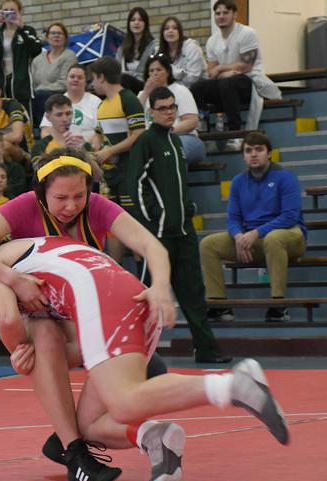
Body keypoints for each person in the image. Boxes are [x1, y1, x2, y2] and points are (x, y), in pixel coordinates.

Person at [0, 147, 196, 481]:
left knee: (138, 376)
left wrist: (161, 285)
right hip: (43, 307)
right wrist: (14, 281)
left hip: (82, 310)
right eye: (60, 198)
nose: (71, 206)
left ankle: (70, 438)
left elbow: (151, 245)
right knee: (46, 338)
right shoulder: (25, 206)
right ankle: (75, 448)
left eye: (79, 195)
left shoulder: (97, 207)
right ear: (41, 193)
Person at [0, 235, 289, 481]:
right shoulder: (42, 259)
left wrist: (16, 348)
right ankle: (156, 439)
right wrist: (35, 358)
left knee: (124, 402)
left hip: (103, 297)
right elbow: (82, 351)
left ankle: (233, 384)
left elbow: (6, 317)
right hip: (132, 296)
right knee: (88, 427)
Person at [126, 86, 228, 360]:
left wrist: (188, 208)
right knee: (148, 293)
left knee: (194, 291)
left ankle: (206, 349)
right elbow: (134, 184)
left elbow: (179, 185)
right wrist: (154, 217)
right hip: (159, 235)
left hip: (183, 231)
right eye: (163, 108)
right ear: (152, 112)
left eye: (172, 107)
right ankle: (135, 353)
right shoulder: (147, 141)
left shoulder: (175, 141)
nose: (169, 112)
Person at [200, 131, 307, 323]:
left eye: (259, 150)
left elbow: (289, 217)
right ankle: (219, 305)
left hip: (289, 235)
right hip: (253, 238)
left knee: (275, 238)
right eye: (248, 151)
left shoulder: (286, 177)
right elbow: (233, 218)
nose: (254, 154)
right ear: (243, 156)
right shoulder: (238, 182)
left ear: (269, 153)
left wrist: (255, 233)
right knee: (208, 244)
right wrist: (239, 236)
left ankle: (278, 305)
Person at [191, 0, 282, 151]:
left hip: (249, 81)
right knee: (198, 87)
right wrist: (226, 72)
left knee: (229, 83)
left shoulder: (247, 33)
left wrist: (221, 68)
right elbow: (212, 72)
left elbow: (246, 66)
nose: (221, 16)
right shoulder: (212, 40)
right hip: (226, 83)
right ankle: (206, 135)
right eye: (218, 13)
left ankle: (235, 135)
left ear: (235, 14)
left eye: (225, 13)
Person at [90, 57, 145, 218]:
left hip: (129, 171)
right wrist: (93, 150)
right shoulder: (102, 105)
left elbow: (139, 134)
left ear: (101, 77)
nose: (92, 84)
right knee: (112, 224)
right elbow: (98, 135)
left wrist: (109, 151)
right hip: (109, 175)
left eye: (93, 78)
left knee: (132, 219)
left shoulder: (129, 99)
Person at [0, 0, 42, 117]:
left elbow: (36, 50)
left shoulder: (27, 30)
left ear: (20, 12)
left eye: (12, 10)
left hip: (21, 83)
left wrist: (21, 27)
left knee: (25, 121)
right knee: (6, 121)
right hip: (1, 82)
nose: (9, 13)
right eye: (5, 10)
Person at [138, 54, 205, 163]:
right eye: (151, 71)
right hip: (152, 141)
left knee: (170, 151)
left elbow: (192, 121)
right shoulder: (142, 94)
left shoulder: (180, 90)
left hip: (183, 137)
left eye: (158, 70)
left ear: (168, 72)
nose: (154, 73)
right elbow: (133, 118)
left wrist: (166, 133)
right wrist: (146, 92)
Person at [30, 94, 100, 175]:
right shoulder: (40, 147)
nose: (65, 119)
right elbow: (41, 176)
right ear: (48, 117)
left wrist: (83, 153)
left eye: (68, 113)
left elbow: (97, 177)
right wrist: (65, 152)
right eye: (59, 115)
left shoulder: (81, 144)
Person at [30, 23, 78, 127]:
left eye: (60, 33)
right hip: (39, 100)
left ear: (65, 39)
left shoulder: (69, 56)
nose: (56, 35)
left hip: (60, 97)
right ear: (47, 37)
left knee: (40, 95)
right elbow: (33, 84)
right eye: (53, 33)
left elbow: (64, 83)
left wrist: (41, 89)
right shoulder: (37, 59)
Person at [38, 63, 101, 140]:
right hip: (60, 149)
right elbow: (45, 131)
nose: (75, 80)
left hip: (87, 148)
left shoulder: (96, 102)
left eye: (80, 78)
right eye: (72, 77)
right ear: (66, 80)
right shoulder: (55, 100)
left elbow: (100, 133)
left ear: (85, 82)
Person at [116, 7, 159, 93]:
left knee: (125, 79)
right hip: (124, 86)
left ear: (145, 24)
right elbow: (117, 71)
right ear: (129, 24)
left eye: (140, 20)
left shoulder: (154, 46)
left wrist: (128, 75)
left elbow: (153, 72)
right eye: (133, 20)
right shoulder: (122, 48)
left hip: (145, 86)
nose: (136, 23)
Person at [156, 17, 206, 90]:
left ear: (180, 32)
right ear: (162, 34)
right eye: (166, 28)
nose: (170, 31)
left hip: (197, 89)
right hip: (172, 89)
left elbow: (193, 78)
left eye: (175, 28)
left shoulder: (191, 47)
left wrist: (174, 74)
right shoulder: (158, 51)